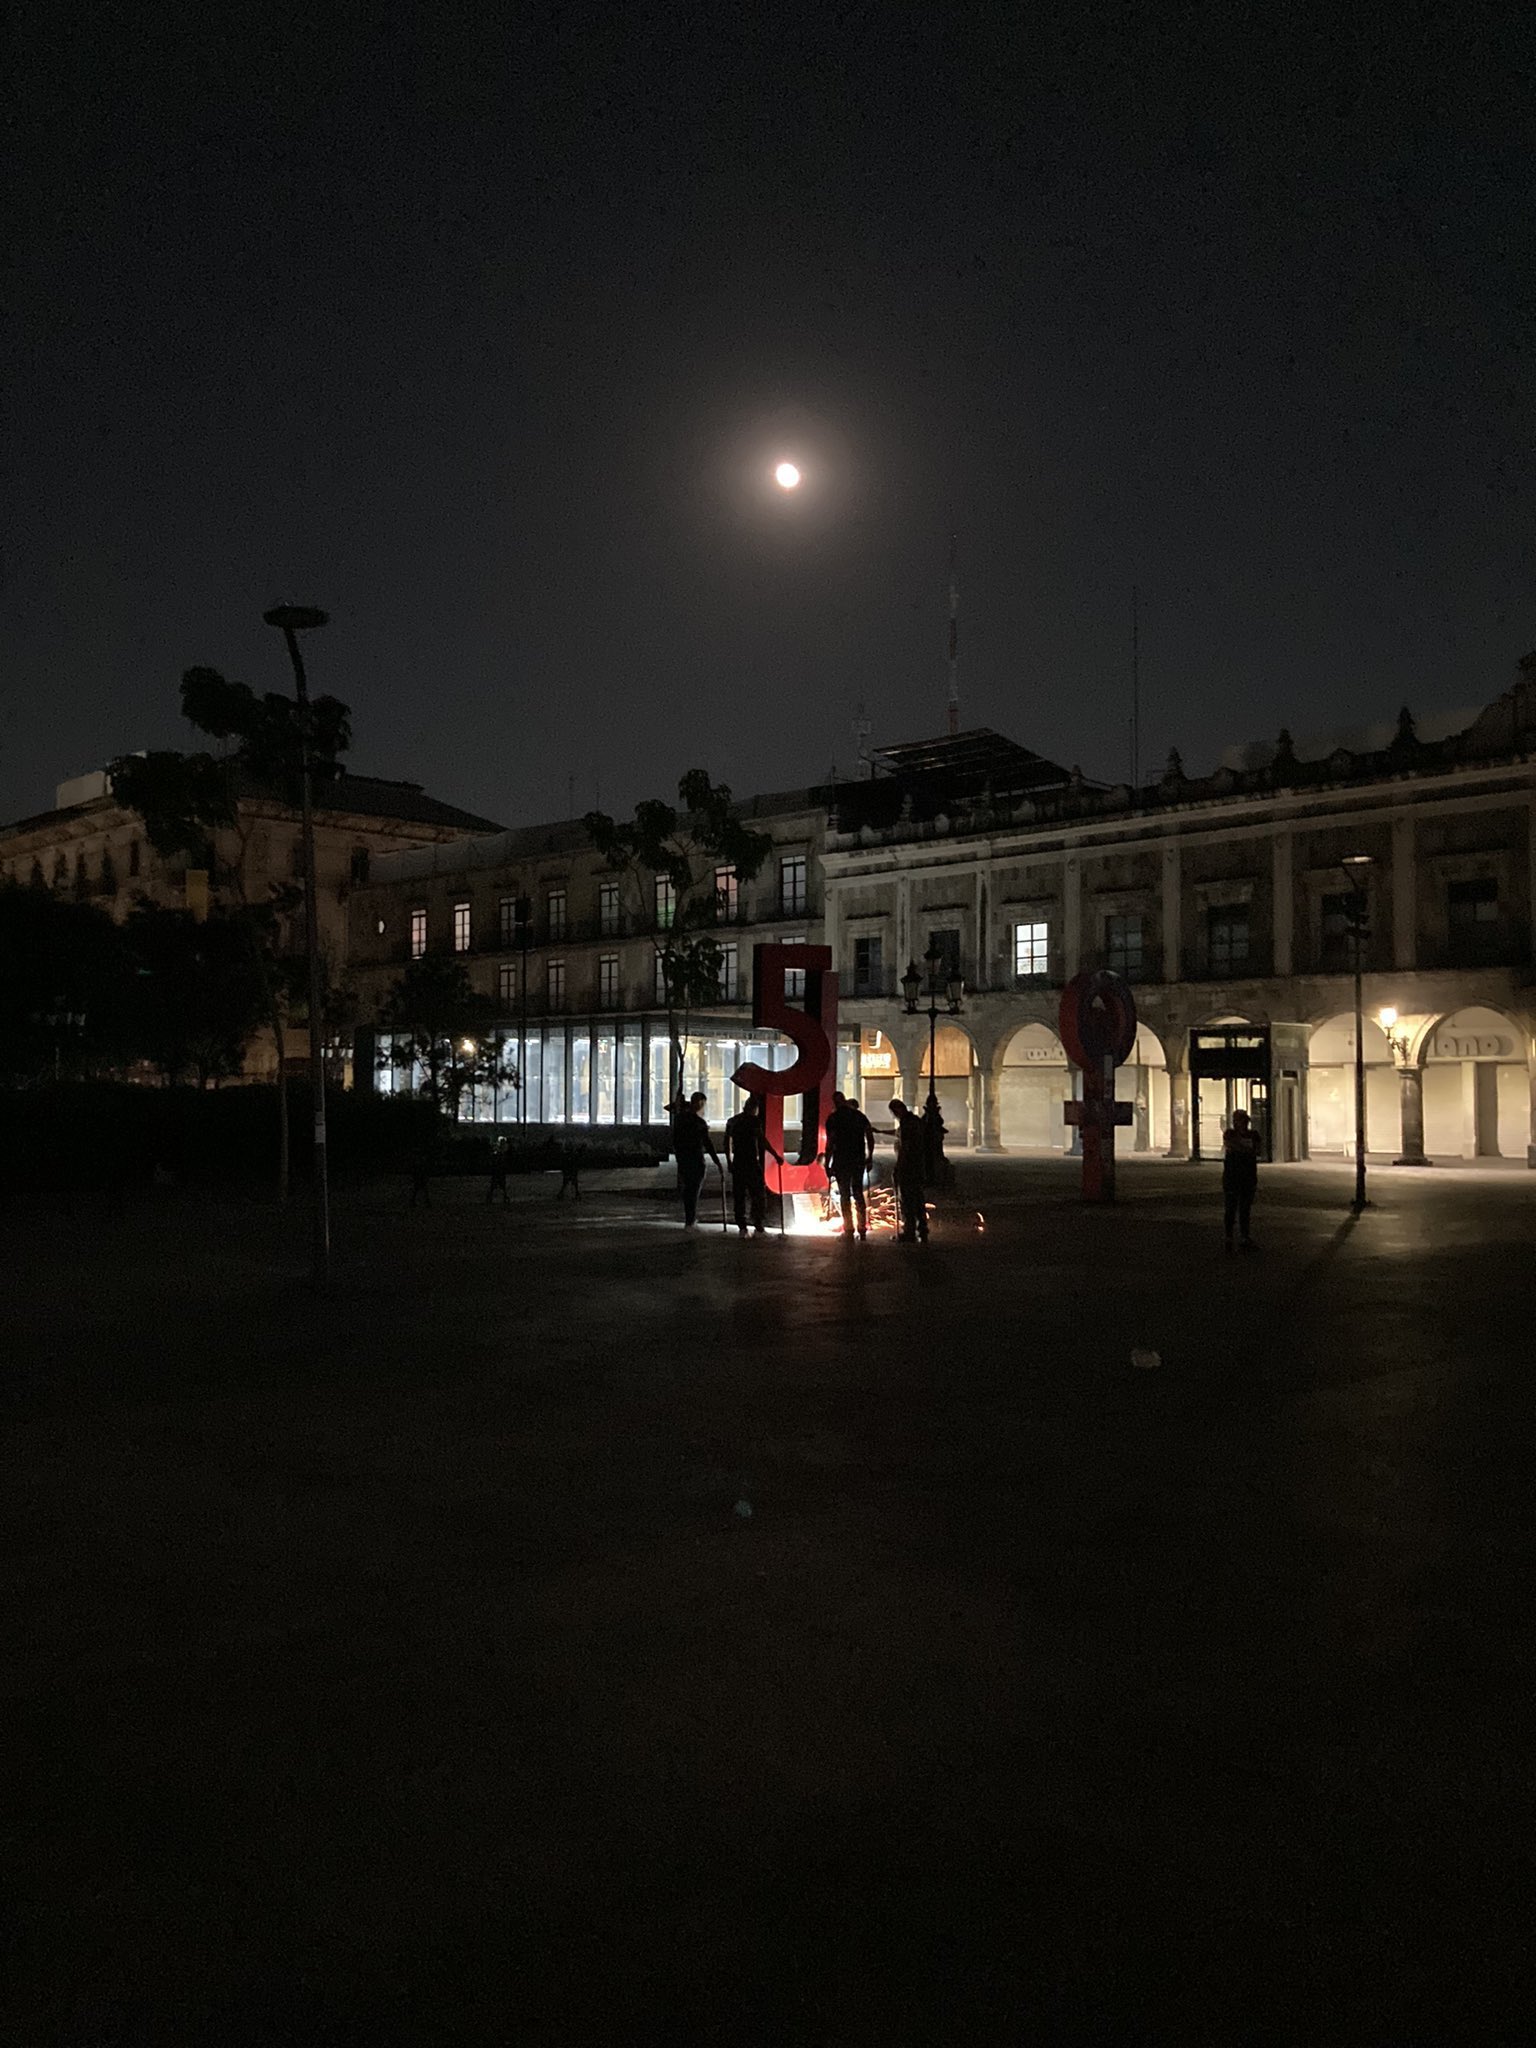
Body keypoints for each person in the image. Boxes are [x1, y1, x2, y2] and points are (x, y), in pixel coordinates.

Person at [725, 1094, 781, 1235]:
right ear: (754, 1108)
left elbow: (727, 1143)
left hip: (738, 1161)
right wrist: (775, 1155)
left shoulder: (732, 1121)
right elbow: (762, 1140)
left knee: (739, 1194)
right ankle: (758, 1222)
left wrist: (728, 1161)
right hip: (750, 1161)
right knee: (758, 1193)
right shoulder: (754, 1121)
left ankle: (742, 1225)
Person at [823, 1091, 876, 1239]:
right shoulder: (859, 1116)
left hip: (842, 1161)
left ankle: (849, 1229)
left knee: (844, 1195)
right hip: (858, 1160)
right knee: (858, 1193)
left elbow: (830, 1143)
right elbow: (869, 1136)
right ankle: (862, 1229)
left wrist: (827, 1164)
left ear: (834, 1102)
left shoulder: (833, 1119)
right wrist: (869, 1156)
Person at [672, 1090, 721, 1228]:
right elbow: (708, 1143)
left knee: (688, 1190)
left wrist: (678, 1157)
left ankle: (689, 1218)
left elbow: (675, 1140)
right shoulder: (700, 1123)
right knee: (694, 1190)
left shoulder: (680, 1119)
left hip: (684, 1159)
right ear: (700, 1104)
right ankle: (690, 1220)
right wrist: (717, 1161)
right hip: (696, 1160)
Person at [887, 1097, 928, 1242]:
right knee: (918, 1198)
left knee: (907, 1200)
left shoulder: (906, 1124)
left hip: (908, 1167)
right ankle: (922, 1229)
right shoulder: (915, 1121)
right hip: (918, 1166)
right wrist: (880, 1131)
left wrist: (898, 1168)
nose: (894, 1116)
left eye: (893, 1112)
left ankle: (909, 1231)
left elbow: (905, 1147)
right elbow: (897, 1133)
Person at [1222, 1108, 1259, 1250]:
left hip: (1248, 1176)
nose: (1241, 1123)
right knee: (1230, 1207)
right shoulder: (1229, 1134)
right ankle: (1229, 1237)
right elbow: (1232, 1146)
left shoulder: (1253, 1135)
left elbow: (1256, 1150)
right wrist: (1245, 1149)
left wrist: (1241, 1148)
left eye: (1243, 1120)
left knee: (1245, 1208)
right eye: (1238, 1120)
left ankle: (1244, 1237)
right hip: (1232, 1176)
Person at [485, 1134, 510, 1207]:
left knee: (496, 1185)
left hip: (498, 1170)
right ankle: (504, 1197)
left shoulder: (498, 1151)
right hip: (499, 1170)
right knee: (500, 1185)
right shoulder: (502, 1152)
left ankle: (492, 1197)